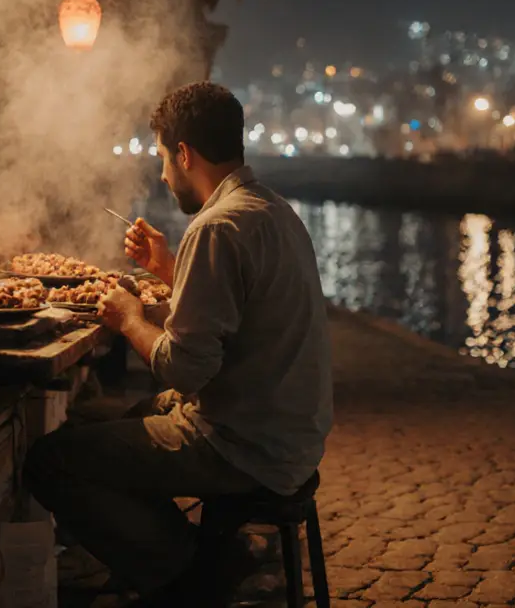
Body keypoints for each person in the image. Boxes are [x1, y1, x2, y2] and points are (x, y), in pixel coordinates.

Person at [24, 82, 333, 607]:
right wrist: (170, 268)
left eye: (164, 159)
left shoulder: (216, 227)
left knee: (52, 460)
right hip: (290, 433)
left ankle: (189, 578)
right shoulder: (272, 210)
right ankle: (190, 556)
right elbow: (233, 309)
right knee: (131, 419)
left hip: (247, 445)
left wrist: (129, 318)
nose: (164, 175)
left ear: (185, 154)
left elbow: (184, 370)